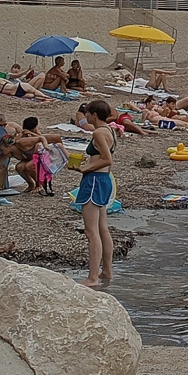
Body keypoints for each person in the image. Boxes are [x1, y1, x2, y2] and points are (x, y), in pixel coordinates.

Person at [75, 99, 115, 287]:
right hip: (104, 181)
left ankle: (92, 278)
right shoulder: (110, 130)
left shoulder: (99, 132)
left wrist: (86, 170)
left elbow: (107, 160)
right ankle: (106, 270)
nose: (86, 116)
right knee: (102, 228)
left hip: (94, 181)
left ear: (94, 115)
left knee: (91, 231)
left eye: (88, 113)